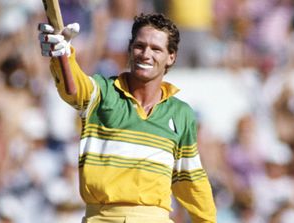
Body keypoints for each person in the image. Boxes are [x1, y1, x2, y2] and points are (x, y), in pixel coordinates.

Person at [38, 13, 217, 223]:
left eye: (156, 49)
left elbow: (192, 181)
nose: (146, 54)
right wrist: (62, 56)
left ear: (171, 57)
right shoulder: (103, 93)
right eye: (140, 46)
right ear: (130, 48)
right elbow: (73, 88)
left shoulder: (181, 113)